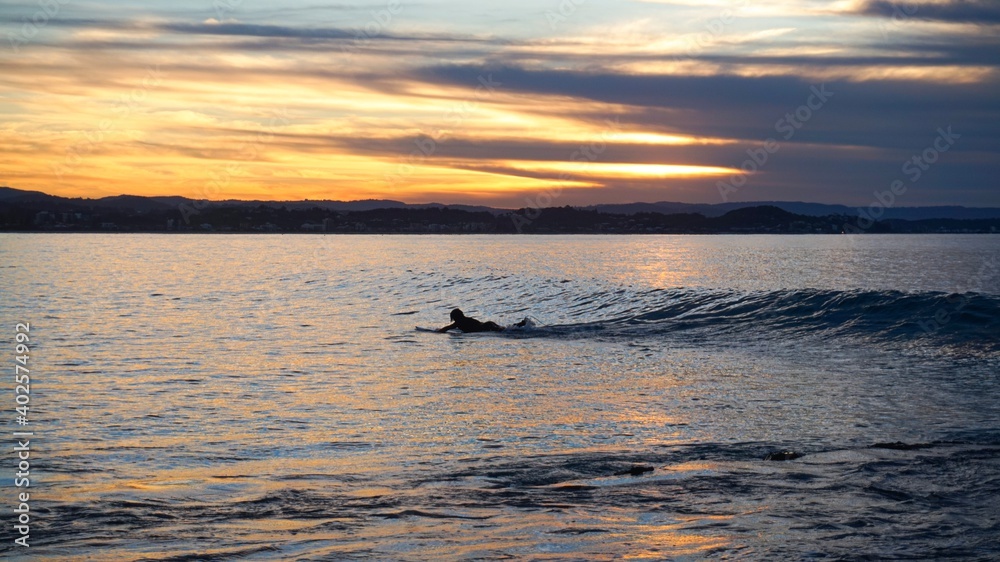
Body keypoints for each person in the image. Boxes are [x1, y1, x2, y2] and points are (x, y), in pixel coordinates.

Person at [437, 308, 526, 333]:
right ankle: (520, 324)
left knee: (505, 331)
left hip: (486, 327)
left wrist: (436, 332)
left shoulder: (459, 322)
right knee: (504, 329)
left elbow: (446, 328)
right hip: (487, 324)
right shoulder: (464, 320)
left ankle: (520, 325)